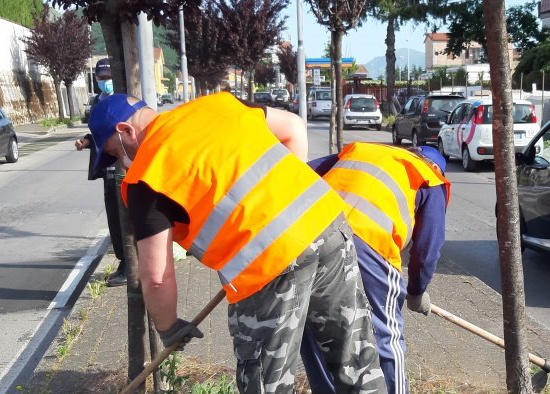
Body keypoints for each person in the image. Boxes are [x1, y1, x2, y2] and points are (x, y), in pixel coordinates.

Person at [88, 92, 385, 392]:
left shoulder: (147, 174)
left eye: (115, 153)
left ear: (126, 130)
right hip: (327, 223)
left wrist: (168, 328)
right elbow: (293, 126)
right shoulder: (217, 104)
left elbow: (155, 277)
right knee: (356, 363)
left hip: (269, 264)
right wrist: (290, 212)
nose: (122, 164)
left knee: (265, 383)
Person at [303, 142, 451, 394]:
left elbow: (301, 171)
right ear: (437, 167)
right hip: (368, 245)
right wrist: (417, 291)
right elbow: (427, 248)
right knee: (384, 333)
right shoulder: (430, 177)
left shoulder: (361, 150)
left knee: (312, 321)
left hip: (308, 234)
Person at [74, 58, 126, 287]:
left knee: (126, 215)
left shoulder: (122, 100)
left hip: (124, 165)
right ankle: (124, 260)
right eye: (102, 78)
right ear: (96, 79)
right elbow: (96, 133)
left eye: (109, 78)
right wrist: (86, 141)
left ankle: (129, 263)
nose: (106, 82)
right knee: (114, 217)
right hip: (107, 167)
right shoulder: (96, 103)